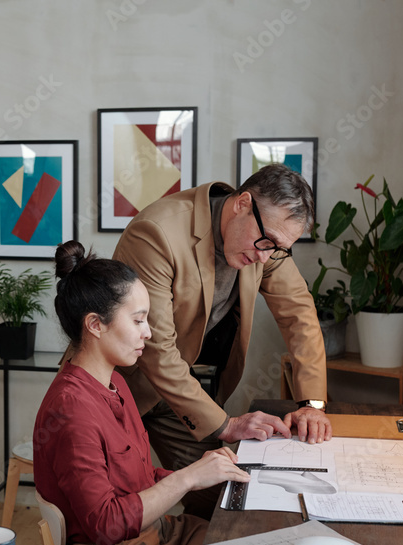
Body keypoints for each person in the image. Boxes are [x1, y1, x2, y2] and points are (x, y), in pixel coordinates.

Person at [110, 163, 331, 519]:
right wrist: (227, 425)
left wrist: (312, 403)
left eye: (278, 249)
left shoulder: (265, 243)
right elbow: (155, 348)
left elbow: (298, 314)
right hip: (118, 388)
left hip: (177, 393)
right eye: (266, 242)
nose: (264, 256)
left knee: (223, 498)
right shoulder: (157, 233)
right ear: (242, 203)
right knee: (116, 512)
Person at [33, 241, 250, 545]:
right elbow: (105, 526)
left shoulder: (116, 382)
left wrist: (208, 474)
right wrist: (187, 479)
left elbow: (138, 477)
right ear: (95, 325)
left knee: (244, 541)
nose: (148, 333)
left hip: (155, 532)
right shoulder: (71, 411)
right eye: (138, 321)